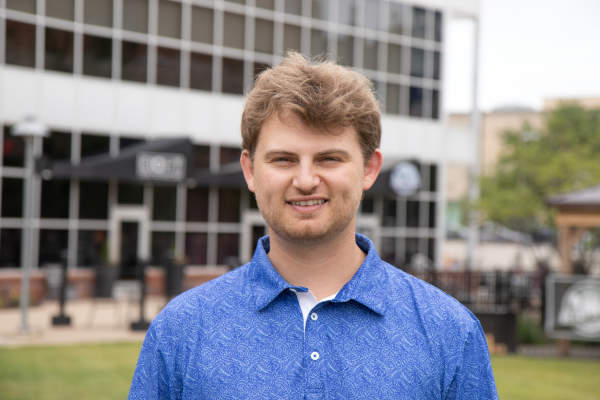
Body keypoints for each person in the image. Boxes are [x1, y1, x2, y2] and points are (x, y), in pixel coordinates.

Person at [128, 53, 498, 399]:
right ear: (250, 170)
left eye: (329, 158)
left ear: (369, 169)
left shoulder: (449, 332)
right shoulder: (180, 331)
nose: (305, 180)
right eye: (284, 159)